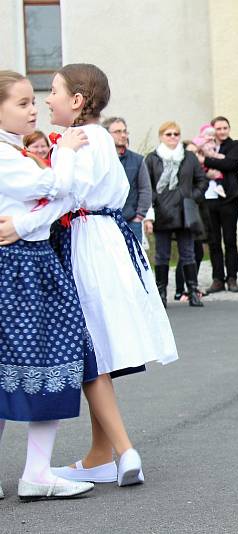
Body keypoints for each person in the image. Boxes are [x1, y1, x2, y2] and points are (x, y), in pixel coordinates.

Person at [3, 64, 179, 488]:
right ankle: (102, 454)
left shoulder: (80, 141)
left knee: (83, 348)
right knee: (92, 348)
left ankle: (120, 449)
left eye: (53, 93)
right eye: (29, 100)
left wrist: (22, 226)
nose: (46, 101)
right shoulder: (94, 139)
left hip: (86, 241)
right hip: (102, 238)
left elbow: (63, 194)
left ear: (78, 101)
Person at [0, 70, 96, 501]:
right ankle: (36, 471)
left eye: (33, 101)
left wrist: (23, 221)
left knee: (53, 364)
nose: (33, 108)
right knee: (26, 365)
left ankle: (37, 471)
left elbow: (66, 195)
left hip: (34, 261)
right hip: (15, 267)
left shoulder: (17, 153)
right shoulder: (5, 158)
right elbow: (59, 186)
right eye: (21, 103)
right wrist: (68, 152)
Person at [143, 121, 209, 308]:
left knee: (188, 253)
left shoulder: (188, 157)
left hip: (184, 211)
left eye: (176, 134)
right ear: (161, 136)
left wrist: (191, 197)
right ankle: (162, 294)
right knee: (162, 255)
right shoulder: (153, 158)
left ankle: (193, 291)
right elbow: (146, 186)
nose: (173, 137)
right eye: (169, 134)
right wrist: (152, 208)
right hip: (162, 211)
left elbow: (201, 181)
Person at [201, 116, 238, 294]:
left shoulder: (235, 145)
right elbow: (198, 165)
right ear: (213, 130)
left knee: (230, 239)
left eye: (225, 128)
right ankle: (217, 278)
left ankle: (232, 278)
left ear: (229, 129)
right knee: (213, 240)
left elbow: (231, 164)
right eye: (218, 128)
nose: (222, 131)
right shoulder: (205, 144)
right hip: (210, 198)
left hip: (229, 198)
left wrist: (208, 161)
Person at [102, 117, 152, 243]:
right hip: (105, 221)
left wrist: (139, 216)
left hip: (131, 222)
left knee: (133, 261)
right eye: (118, 132)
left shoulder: (137, 160)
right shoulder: (100, 160)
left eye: (125, 131)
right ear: (106, 134)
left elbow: (145, 189)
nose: (123, 135)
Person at [174, 140, 211, 302]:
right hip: (184, 210)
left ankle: (192, 286)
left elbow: (202, 183)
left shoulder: (195, 168)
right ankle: (181, 289)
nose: (194, 155)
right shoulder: (180, 168)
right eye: (191, 152)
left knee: (197, 251)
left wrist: (195, 195)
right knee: (187, 252)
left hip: (198, 210)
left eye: (197, 152)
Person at [192, 124, 226, 198]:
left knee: (218, 173)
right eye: (209, 135)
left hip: (207, 163)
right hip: (202, 165)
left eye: (212, 135)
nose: (211, 137)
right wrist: (218, 156)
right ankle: (218, 186)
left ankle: (219, 186)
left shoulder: (210, 142)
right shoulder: (202, 143)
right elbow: (209, 153)